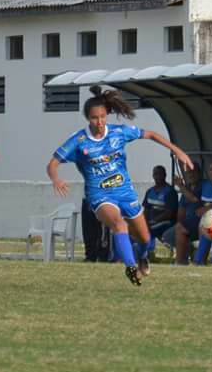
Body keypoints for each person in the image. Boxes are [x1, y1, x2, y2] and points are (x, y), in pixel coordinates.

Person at [47, 86, 193, 286]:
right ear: (87, 119)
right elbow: (53, 163)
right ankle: (131, 268)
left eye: (102, 117)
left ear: (106, 115)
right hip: (99, 195)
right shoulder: (79, 141)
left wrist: (178, 151)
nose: (99, 122)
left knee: (145, 239)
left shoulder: (119, 132)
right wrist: (56, 179)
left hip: (125, 192)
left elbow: (150, 134)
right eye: (94, 118)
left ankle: (142, 257)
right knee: (119, 224)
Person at [138, 165, 178, 260]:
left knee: (149, 229)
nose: (157, 176)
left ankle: (149, 253)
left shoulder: (170, 191)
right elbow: (146, 209)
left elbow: (170, 213)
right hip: (152, 221)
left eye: (160, 174)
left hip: (166, 222)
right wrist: (143, 221)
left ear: (165, 175)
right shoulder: (150, 191)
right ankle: (140, 253)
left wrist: (153, 220)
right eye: (155, 174)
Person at [191, 161, 212, 265]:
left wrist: (208, 208)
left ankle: (210, 260)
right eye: (211, 169)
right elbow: (196, 200)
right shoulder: (205, 185)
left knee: (210, 226)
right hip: (205, 216)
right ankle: (200, 260)